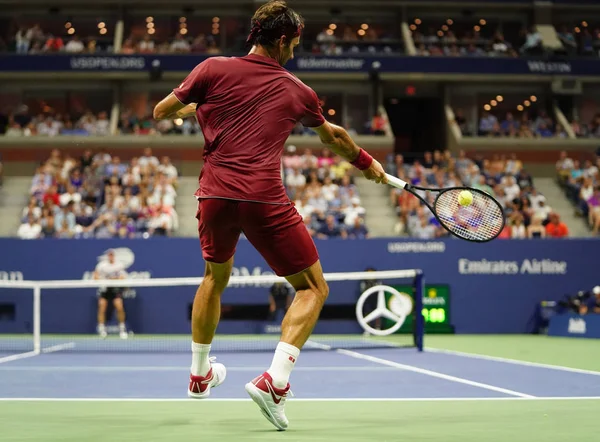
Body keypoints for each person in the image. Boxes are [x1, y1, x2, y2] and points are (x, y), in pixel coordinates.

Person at [153, 0, 386, 431]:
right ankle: (274, 382)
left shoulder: (211, 69)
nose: (294, 52)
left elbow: (161, 112)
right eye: (294, 44)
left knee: (213, 279)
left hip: (214, 197)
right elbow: (332, 137)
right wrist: (367, 163)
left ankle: (199, 376)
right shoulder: (298, 90)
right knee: (314, 288)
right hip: (262, 197)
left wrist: (198, 109)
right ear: (281, 40)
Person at [93, 249, 129, 339]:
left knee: (119, 306)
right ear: (107, 256)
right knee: (102, 306)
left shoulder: (119, 265)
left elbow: (123, 277)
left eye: (112, 255)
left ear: (114, 256)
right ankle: (102, 329)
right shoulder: (101, 265)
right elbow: (95, 276)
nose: (111, 256)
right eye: (109, 255)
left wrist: (113, 280)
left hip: (115, 289)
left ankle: (122, 329)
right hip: (105, 288)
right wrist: (103, 280)